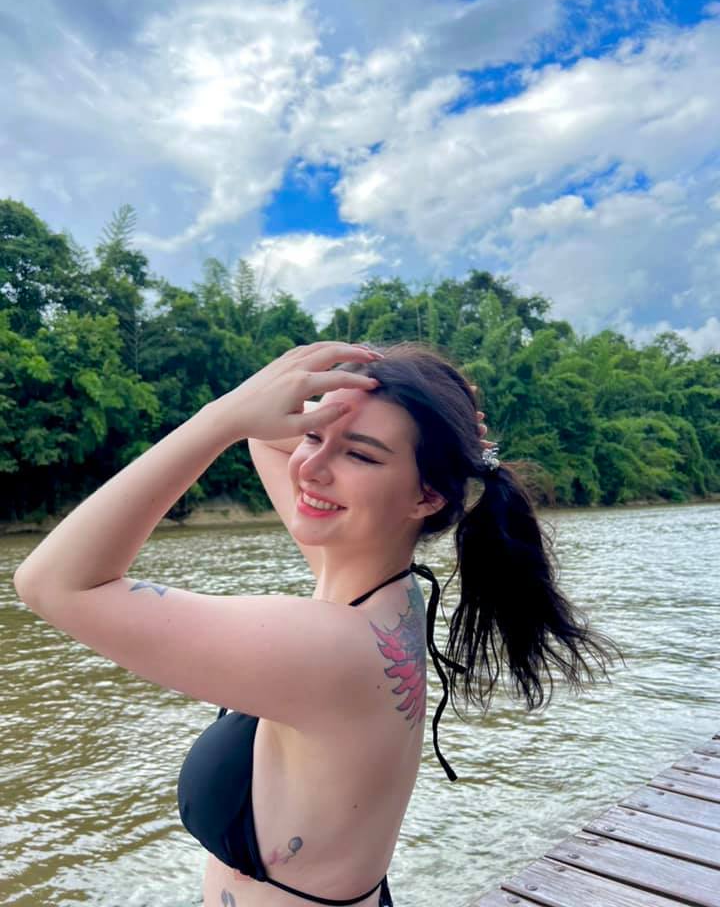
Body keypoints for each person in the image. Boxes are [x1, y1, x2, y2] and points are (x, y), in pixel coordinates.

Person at [14, 340, 623, 907]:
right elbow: (271, 444)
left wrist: (219, 418)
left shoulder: (328, 646)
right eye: (313, 437)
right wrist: (373, 413)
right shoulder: (382, 591)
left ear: (426, 497)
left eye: (360, 454)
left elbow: (54, 582)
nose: (311, 467)